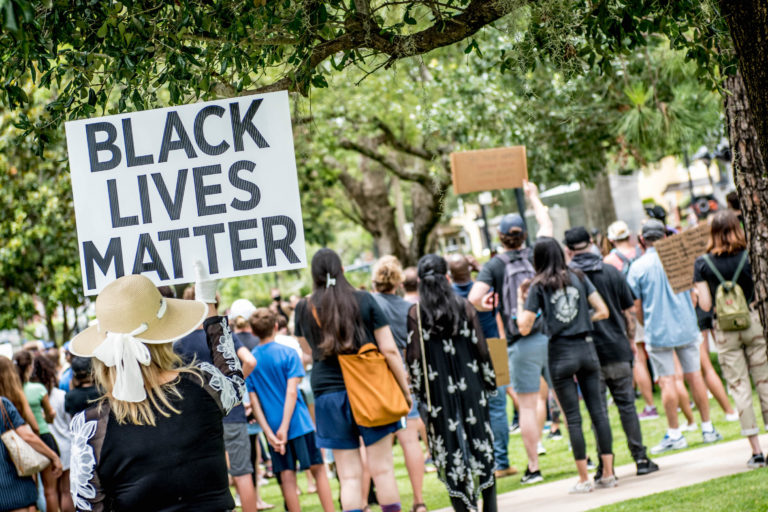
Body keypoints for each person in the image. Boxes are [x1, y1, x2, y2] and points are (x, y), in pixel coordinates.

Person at [68, 270, 246, 511]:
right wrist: (208, 304)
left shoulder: (91, 427)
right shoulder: (203, 384)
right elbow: (234, 379)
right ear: (164, 337)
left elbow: (89, 507)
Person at [293, 248, 410, 512]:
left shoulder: (303, 307)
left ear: (314, 275)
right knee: (383, 470)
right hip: (371, 390)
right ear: (342, 270)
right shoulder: (364, 299)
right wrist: (405, 389)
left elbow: (308, 350)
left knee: (348, 476)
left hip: (328, 395)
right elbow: (389, 349)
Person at [468, 181, 553, 485]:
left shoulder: (494, 266)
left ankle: (533, 466)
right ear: (523, 236)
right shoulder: (538, 254)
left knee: (527, 406)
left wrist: (488, 302)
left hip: (520, 341)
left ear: (500, 239)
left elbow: (473, 299)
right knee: (564, 398)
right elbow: (546, 224)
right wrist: (533, 195)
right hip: (551, 335)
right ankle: (587, 457)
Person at [517, 237, 615, 493]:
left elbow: (523, 326)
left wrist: (520, 300)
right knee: (599, 413)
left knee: (573, 418)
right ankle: (608, 473)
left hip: (560, 352)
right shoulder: (579, 277)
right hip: (586, 346)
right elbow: (603, 310)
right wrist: (583, 319)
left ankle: (583, 479)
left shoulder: (538, 285)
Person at [565, 227, 659, 477]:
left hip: (587, 353)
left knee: (598, 412)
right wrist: (629, 341)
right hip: (617, 348)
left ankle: (605, 467)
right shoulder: (611, 272)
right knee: (627, 406)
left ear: (568, 249)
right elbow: (629, 311)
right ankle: (640, 458)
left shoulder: (569, 278)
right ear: (593, 242)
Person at [406, 254, 497, 512]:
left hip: (438, 395)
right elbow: (482, 349)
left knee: (448, 448)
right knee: (481, 444)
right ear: (447, 278)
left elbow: (414, 360)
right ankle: (489, 506)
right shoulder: (464, 306)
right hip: (472, 388)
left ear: (422, 282)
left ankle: (462, 507)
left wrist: (420, 393)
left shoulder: (417, 314)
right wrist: (490, 383)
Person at [627, 219, 723, 455]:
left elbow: (636, 306)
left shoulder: (638, 267)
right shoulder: (681, 260)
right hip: (686, 325)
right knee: (695, 376)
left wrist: (644, 323)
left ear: (642, 240)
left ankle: (675, 433)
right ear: (666, 236)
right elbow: (693, 294)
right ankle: (707, 427)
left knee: (668, 380)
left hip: (658, 329)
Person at [174, 287, 260, 512]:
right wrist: (228, 386)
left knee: (209, 478)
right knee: (242, 472)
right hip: (231, 411)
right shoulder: (223, 334)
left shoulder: (179, 342)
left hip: (198, 416)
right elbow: (249, 361)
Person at [694, 210, 768, 467]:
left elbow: (704, 305)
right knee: (765, 382)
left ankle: (756, 451)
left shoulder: (702, 264)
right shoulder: (750, 256)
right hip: (753, 322)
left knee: (739, 387)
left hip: (725, 331)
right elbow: (761, 292)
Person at [246, 308, 334, 512]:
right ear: (276, 327)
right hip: (298, 424)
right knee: (318, 469)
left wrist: (268, 432)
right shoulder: (288, 353)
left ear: (253, 332)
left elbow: (254, 400)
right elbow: (292, 392)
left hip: (273, 427)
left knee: (287, 476)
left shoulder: (251, 360)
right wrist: (285, 427)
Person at [448, 254, 516, 480]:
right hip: (494, 348)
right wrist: (479, 268)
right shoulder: (487, 291)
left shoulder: (450, 296)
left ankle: (478, 461)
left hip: (466, 352)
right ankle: (501, 461)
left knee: (469, 409)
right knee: (498, 407)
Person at [371, 255, 428, 511]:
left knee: (377, 447)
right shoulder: (408, 308)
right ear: (398, 282)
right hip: (406, 373)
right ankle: (419, 500)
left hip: (378, 376)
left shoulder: (371, 304)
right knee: (410, 441)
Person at [603, 220, 658, 420]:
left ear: (611, 239)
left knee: (638, 359)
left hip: (627, 312)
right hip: (648, 305)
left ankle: (650, 406)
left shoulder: (609, 261)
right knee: (661, 354)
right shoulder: (641, 252)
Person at [14, 350, 60, 512]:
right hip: (43, 436)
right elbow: (49, 416)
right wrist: (49, 416)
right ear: (30, 366)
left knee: (33, 490)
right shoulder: (38, 388)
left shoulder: (13, 390)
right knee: (50, 490)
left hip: (23, 441)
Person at [45, 354, 75, 512]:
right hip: (65, 446)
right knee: (66, 491)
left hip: (46, 447)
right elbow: (71, 424)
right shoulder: (61, 395)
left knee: (51, 492)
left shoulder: (32, 395)